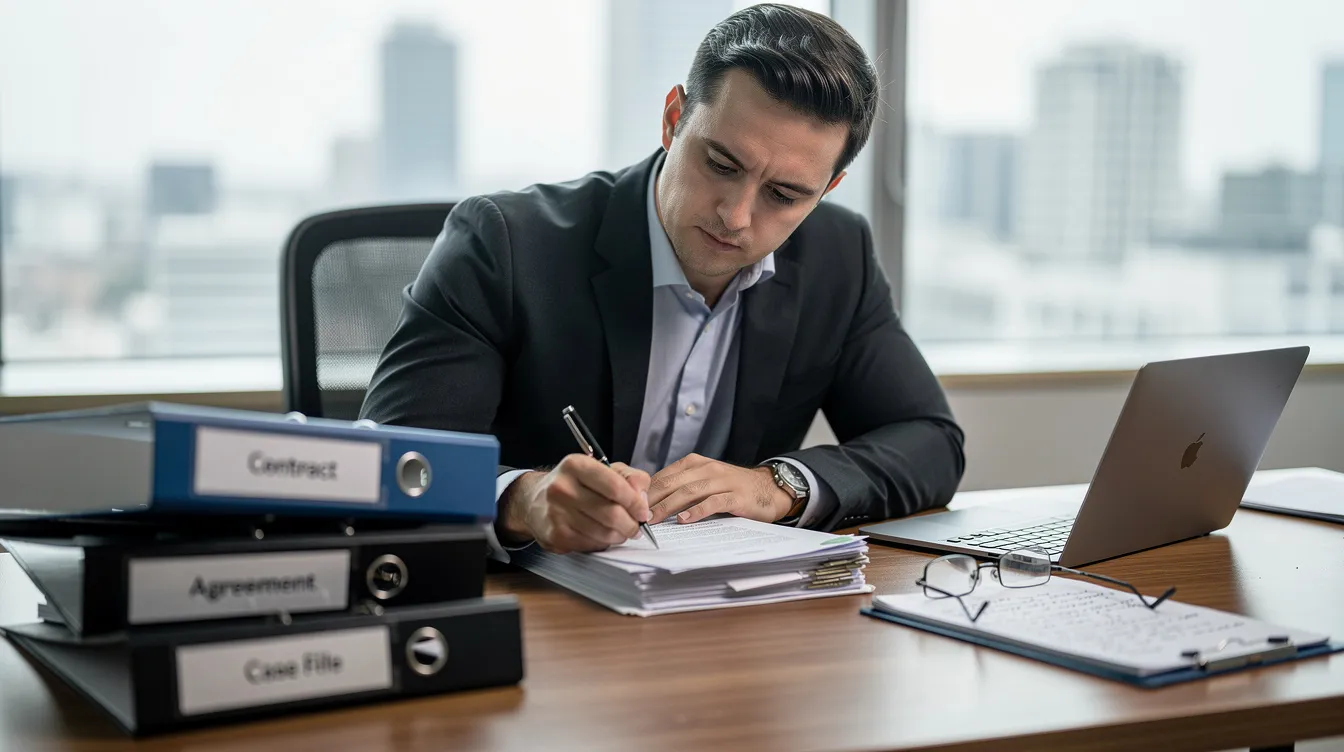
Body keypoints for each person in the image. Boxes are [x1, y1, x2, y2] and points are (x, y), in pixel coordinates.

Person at [360, 3, 965, 557]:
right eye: (720, 164)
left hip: (721, 624)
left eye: (784, 195)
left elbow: (931, 442)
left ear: (826, 190)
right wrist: (524, 500)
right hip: (535, 615)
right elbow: (393, 461)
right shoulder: (506, 243)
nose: (735, 215)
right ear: (674, 119)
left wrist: (778, 486)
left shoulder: (840, 254)